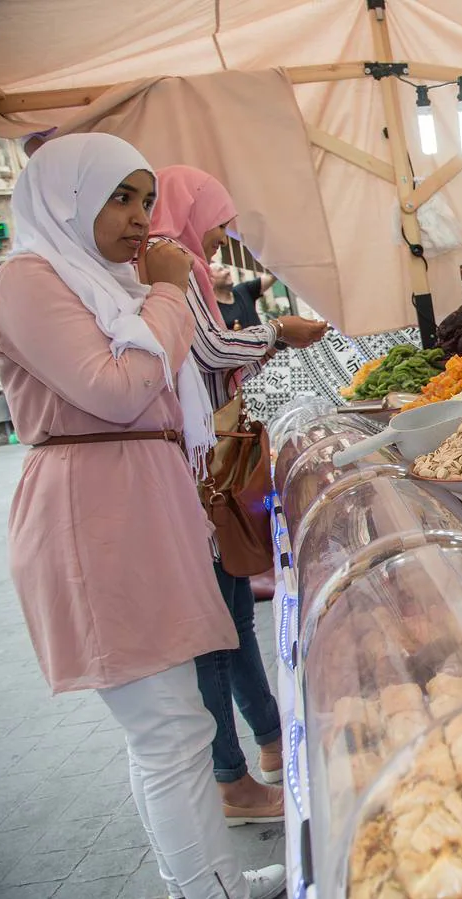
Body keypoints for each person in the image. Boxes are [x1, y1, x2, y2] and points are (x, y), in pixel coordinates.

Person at [0, 133, 283, 899]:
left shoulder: (101, 283)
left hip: (141, 498)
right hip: (97, 515)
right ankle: (206, 888)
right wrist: (170, 292)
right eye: (120, 197)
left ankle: (213, 880)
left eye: (147, 199)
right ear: (65, 198)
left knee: (175, 723)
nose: (139, 216)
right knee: (167, 728)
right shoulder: (27, 280)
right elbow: (116, 390)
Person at [149, 164, 326, 825]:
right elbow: (213, 347)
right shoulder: (169, 268)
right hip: (196, 468)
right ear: (194, 212)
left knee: (232, 615)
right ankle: (233, 778)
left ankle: (272, 744)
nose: (226, 234)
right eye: (220, 218)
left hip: (207, 458)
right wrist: (279, 331)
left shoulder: (177, 264)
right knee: (217, 627)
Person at [214, 264, 276, 331]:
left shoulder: (243, 290)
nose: (228, 271)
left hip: (264, 340)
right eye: (220, 270)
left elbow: (272, 274)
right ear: (210, 279)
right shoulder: (212, 309)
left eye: (225, 268)